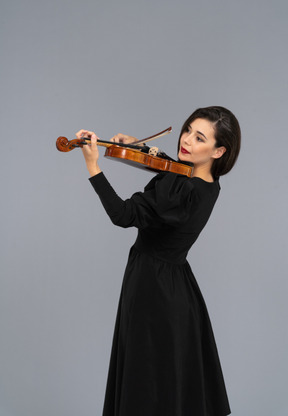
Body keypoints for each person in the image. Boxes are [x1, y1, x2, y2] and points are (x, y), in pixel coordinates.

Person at [76, 106, 241, 416]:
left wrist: (93, 166)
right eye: (189, 130)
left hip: (152, 288)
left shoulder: (182, 190)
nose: (187, 140)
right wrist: (140, 147)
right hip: (178, 287)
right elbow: (176, 171)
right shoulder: (207, 183)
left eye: (200, 137)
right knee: (168, 381)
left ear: (219, 150)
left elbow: (123, 215)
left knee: (147, 382)